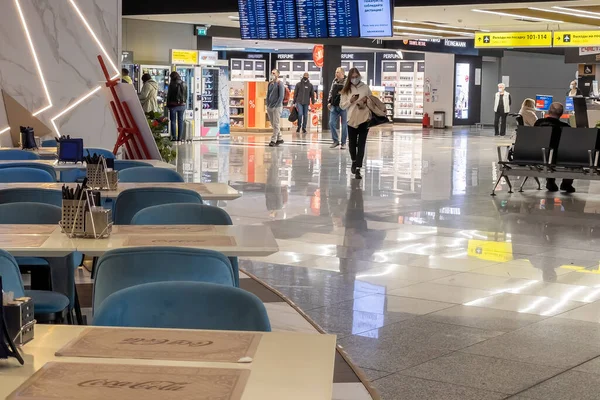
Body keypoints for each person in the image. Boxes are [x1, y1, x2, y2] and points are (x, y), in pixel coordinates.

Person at [534, 102, 575, 193]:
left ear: (549, 111)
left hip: (537, 154)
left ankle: (550, 181)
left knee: (550, 156)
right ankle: (566, 183)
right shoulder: (565, 127)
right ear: (561, 113)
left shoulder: (538, 123)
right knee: (573, 155)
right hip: (558, 157)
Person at [340, 67, 372, 180]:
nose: (355, 79)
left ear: (359, 76)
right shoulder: (346, 89)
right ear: (349, 78)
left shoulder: (365, 87)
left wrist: (365, 101)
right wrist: (351, 101)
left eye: (356, 76)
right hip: (351, 120)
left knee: (362, 144)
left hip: (364, 119)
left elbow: (371, 100)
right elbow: (342, 105)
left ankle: (358, 168)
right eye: (352, 77)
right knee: (352, 144)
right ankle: (354, 160)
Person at [328, 68, 348, 149]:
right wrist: (329, 101)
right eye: (335, 72)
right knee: (331, 123)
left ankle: (343, 143)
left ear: (342, 73)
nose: (336, 73)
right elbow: (331, 92)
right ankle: (335, 141)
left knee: (344, 125)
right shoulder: (334, 81)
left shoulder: (347, 82)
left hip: (343, 107)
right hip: (334, 106)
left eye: (338, 72)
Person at [166, 71, 187, 142]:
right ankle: (180, 138)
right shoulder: (184, 83)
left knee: (173, 121)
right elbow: (186, 95)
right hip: (182, 105)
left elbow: (169, 95)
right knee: (180, 121)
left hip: (173, 105)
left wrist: (167, 104)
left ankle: (174, 137)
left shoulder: (172, 84)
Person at [267, 69, 285, 147]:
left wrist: (275, 105)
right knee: (273, 124)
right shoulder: (270, 83)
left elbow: (281, 96)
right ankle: (280, 138)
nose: (272, 74)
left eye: (274, 73)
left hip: (277, 107)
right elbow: (268, 94)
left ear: (278, 74)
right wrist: (267, 104)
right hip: (270, 106)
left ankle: (273, 140)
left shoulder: (280, 84)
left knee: (276, 123)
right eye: (271, 73)